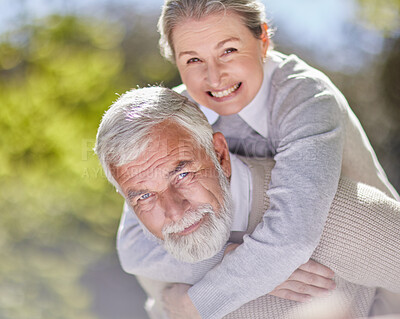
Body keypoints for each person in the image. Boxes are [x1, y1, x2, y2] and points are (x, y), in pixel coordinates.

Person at [117, 1, 400, 318]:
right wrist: (227, 256)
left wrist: (196, 302)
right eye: (193, 59)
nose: (214, 77)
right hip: (294, 287)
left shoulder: (306, 97)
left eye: (228, 51)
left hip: (377, 281)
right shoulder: (174, 119)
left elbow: (293, 236)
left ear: (263, 40)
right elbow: (134, 248)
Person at [94, 87, 400, 319]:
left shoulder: (337, 217)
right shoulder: (157, 246)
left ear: (221, 157)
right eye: (144, 195)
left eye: (183, 174)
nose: (174, 211)